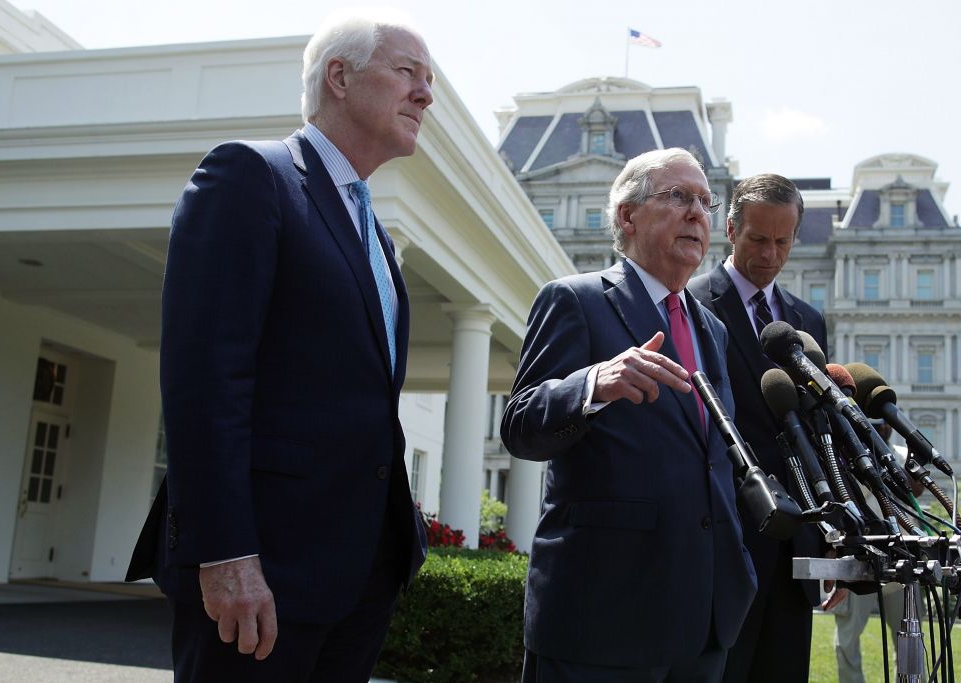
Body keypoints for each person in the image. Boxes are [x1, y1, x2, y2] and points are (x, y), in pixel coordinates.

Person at [125, 11, 434, 681]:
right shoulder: (249, 176)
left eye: (429, 80)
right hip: (261, 576)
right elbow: (205, 377)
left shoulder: (374, 230)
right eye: (409, 72)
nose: (426, 94)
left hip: (358, 582)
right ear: (339, 77)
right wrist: (225, 551)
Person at [501, 148, 757, 682]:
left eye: (706, 202)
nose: (697, 213)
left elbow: (717, 460)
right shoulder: (574, 300)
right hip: (602, 616)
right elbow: (521, 427)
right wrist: (593, 383)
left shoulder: (712, 330)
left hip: (704, 619)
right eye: (677, 196)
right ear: (626, 215)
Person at [688, 173, 828, 683]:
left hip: (796, 546)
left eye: (783, 242)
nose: (770, 254)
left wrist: (828, 534)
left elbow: (815, 432)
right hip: (725, 542)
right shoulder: (692, 305)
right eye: (758, 239)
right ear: (730, 228)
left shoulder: (807, 321)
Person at [822, 421, 926, 683]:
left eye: (884, 424)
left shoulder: (900, 455)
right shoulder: (843, 456)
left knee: (909, 640)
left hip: (903, 559)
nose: (880, 429)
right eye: (872, 423)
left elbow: (916, 491)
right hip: (860, 560)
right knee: (847, 640)